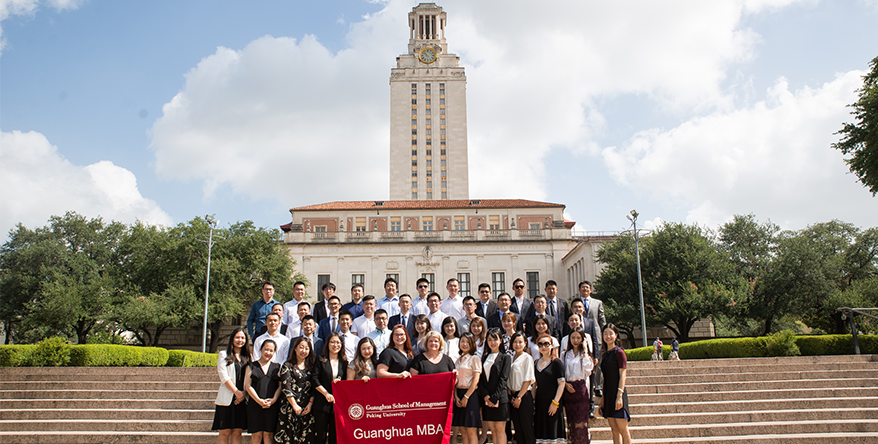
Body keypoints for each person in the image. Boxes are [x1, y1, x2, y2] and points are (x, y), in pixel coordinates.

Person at [275, 337, 317, 444]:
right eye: (301, 347)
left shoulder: (311, 367)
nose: (304, 351)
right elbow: (286, 387)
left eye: (307, 348)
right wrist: (294, 406)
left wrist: (310, 404)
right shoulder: (287, 365)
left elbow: (314, 388)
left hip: (306, 409)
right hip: (290, 408)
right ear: (295, 349)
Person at [213, 327, 251, 444]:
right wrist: (236, 392)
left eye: (243, 338)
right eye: (237, 337)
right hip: (227, 399)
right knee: (224, 433)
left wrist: (243, 394)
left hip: (242, 400)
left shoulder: (248, 357)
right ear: (232, 339)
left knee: (237, 433)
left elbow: (250, 377)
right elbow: (223, 376)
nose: (240, 340)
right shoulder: (223, 354)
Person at [243, 339, 281, 444]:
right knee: (256, 436)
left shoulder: (277, 367)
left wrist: (273, 400)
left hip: (271, 406)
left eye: (271, 350)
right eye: (266, 349)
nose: (268, 353)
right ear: (260, 350)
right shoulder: (251, 366)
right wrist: (259, 401)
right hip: (255, 405)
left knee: (269, 435)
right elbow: (248, 386)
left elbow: (280, 387)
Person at [313, 333, 348, 444]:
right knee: (321, 436)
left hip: (337, 405)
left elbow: (347, 381)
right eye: (332, 342)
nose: (335, 345)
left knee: (335, 436)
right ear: (327, 344)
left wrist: (340, 381)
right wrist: (326, 393)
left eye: (338, 342)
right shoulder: (320, 359)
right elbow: (314, 379)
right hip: (322, 403)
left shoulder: (344, 362)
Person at [600, 324, 631, 444]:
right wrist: (603, 398)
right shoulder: (605, 354)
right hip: (608, 395)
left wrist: (619, 395)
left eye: (610, 333)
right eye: (605, 333)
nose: (608, 336)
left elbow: (623, 375)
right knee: (614, 430)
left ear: (616, 335)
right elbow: (604, 378)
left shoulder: (619, 352)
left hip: (618, 394)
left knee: (623, 429)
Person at [562, 328, 594, 444]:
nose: (575, 340)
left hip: (581, 390)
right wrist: (565, 384)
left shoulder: (584, 354)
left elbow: (588, 369)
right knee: (572, 425)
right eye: (573, 337)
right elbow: (561, 373)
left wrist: (585, 349)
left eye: (578, 338)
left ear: (582, 339)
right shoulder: (565, 354)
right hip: (568, 391)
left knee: (581, 425)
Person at [479, 328, 510, 444]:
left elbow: (503, 379)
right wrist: (486, 395)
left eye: (495, 339)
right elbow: (481, 380)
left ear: (501, 340)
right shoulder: (484, 357)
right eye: (490, 340)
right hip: (487, 400)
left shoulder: (505, 357)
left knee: (500, 430)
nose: (492, 342)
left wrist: (494, 398)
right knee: (493, 431)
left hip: (500, 400)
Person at [534, 333, 566, 444]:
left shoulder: (557, 363)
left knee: (554, 437)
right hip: (540, 404)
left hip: (553, 403)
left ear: (552, 345)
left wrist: (555, 403)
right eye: (540, 344)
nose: (543, 347)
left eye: (546, 344)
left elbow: (561, 384)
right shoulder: (536, 363)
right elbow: (535, 385)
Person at [453, 333, 482, 444]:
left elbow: (476, 380)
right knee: (463, 430)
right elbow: (455, 381)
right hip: (459, 394)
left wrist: (466, 397)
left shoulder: (474, 358)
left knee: (471, 431)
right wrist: (456, 396)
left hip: (470, 395)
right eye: (462, 341)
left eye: (467, 342)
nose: (464, 344)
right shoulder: (458, 360)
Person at [508, 332, 535, 444]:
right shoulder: (510, 357)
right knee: (518, 429)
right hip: (513, 396)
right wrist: (512, 396)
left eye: (520, 342)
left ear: (525, 344)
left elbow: (527, 379)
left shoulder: (527, 358)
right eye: (515, 342)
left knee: (527, 428)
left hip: (524, 396)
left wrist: (519, 397)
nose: (517, 344)